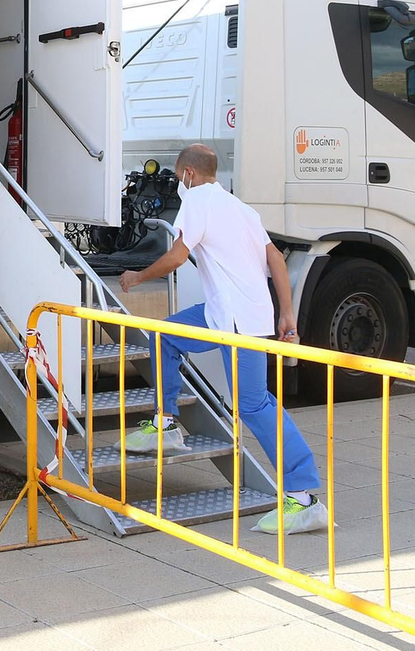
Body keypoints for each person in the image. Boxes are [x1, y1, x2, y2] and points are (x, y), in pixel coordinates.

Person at [118, 143, 329, 535]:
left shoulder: (196, 201)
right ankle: (166, 425)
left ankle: (302, 498)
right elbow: (277, 260)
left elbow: (179, 256)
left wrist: (137, 276)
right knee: (165, 337)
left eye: (180, 177)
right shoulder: (240, 208)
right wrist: (286, 314)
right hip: (235, 314)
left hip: (236, 320)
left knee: (253, 405)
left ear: (188, 175)